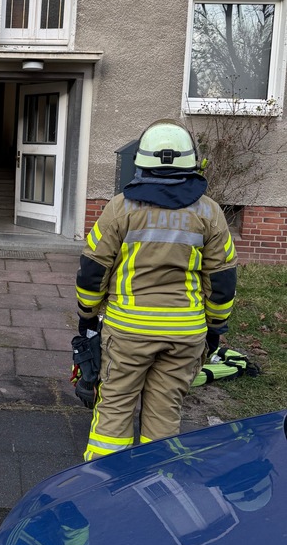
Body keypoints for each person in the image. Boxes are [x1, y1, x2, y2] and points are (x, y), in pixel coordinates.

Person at [76, 119, 237, 461]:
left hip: (128, 331)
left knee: (115, 409)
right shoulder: (210, 213)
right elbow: (222, 282)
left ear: (142, 161)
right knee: (164, 415)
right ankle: (156, 490)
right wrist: (214, 328)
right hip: (185, 334)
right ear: (193, 162)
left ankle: (103, 486)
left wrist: (87, 316)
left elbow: (93, 271)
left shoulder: (120, 209)